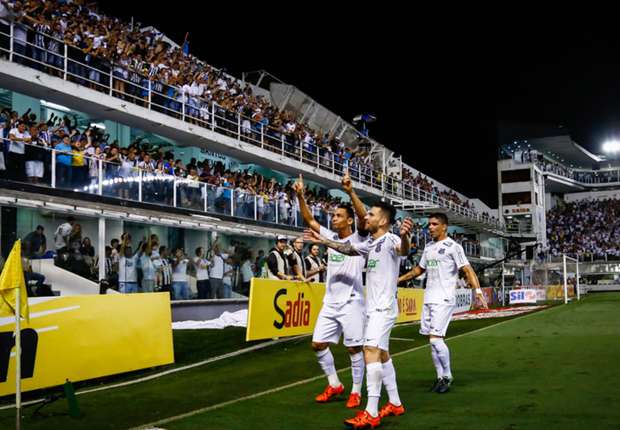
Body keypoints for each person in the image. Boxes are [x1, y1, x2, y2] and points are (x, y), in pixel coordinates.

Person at [306, 201, 414, 429]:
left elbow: (403, 251)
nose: (367, 217)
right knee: (382, 354)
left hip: (383, 308)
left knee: (370, 351)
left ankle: (371, 412)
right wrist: (323, 241)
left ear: (383, 220)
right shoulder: (372, 244)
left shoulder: (391, 239)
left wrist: (405, 236)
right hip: (373, 308)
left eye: (372, 214)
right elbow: (347, 248)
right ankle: (395, 403)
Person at [294, 171, 368, 409]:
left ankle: (356, 391)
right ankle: (335, 384)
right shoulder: (330, 234)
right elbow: (309, 220)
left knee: (354, 347)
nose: (333, 218)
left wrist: (350, 191)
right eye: (333, 215)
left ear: (349, 220)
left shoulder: (359, 237)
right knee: (318, 344)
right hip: (331, 301)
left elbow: (362, 216)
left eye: (338, 216)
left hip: (352, 301)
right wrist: (300, 196)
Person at [398, 212, 488, 394]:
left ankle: (447, 375)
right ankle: (440, 378)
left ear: (444, 226)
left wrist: (478, 292)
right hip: (429, 298)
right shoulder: (429, 247)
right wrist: (398, 279)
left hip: (444, 298)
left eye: (434, 224)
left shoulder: (453, 247)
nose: (430, 227)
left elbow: (467, 270)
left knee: (435, 340)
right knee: (431, 340)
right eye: (429, 224)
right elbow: (418, 270)